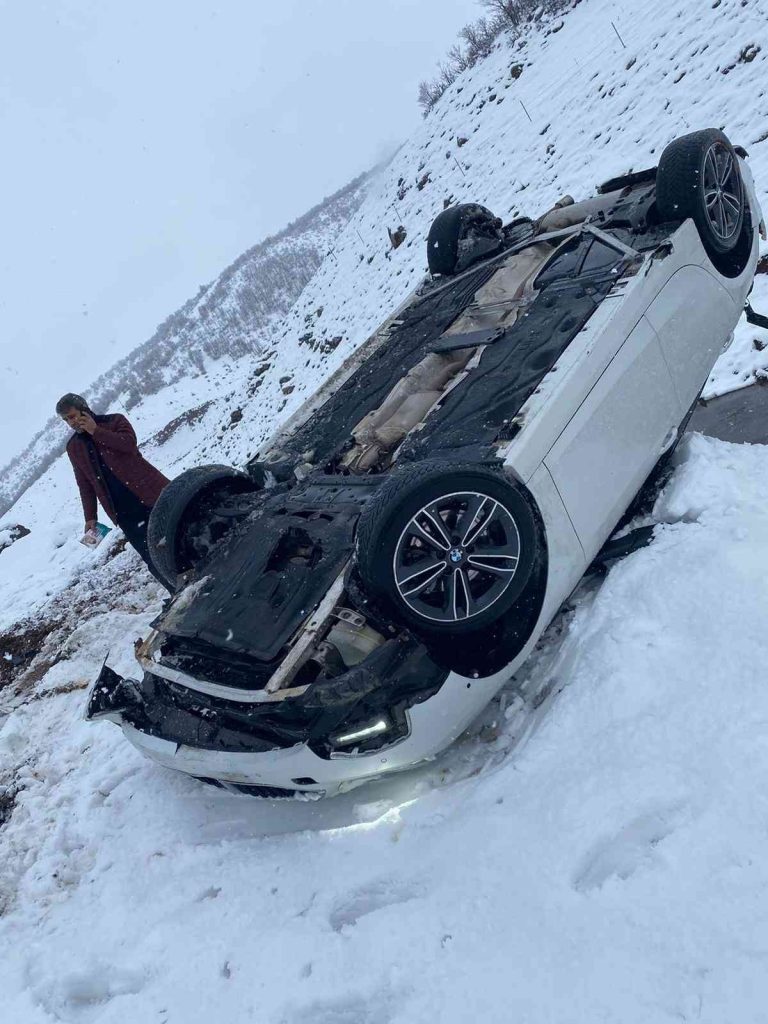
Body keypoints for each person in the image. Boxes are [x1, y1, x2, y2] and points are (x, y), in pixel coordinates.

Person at [57, 393, 170, 586]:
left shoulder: (114, 421)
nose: (71, 422)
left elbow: (128, 444)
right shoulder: (74, 447)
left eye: (73, 416)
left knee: (175, 533)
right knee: (150, 555)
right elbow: (84, 484)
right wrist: (90, 517)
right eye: (66, 419)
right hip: (122, 511)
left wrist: (96, 431)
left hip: (151, 495)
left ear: (84, 409)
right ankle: (175, 589)